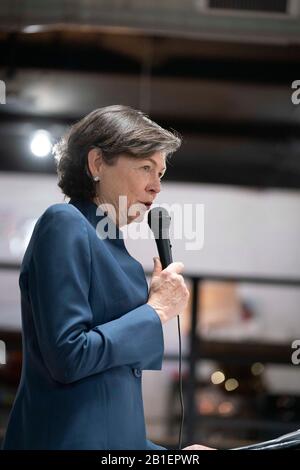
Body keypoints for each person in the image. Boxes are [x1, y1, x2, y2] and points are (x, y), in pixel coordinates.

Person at [2, 105, 211, 450]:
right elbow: (69, 357)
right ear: (97, 163)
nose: (156, 187)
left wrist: (175, 455)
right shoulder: (64, 223)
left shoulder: (123, 259)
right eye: (145, 167)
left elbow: (110, 416)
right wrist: (155, 311)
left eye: (161, 173)